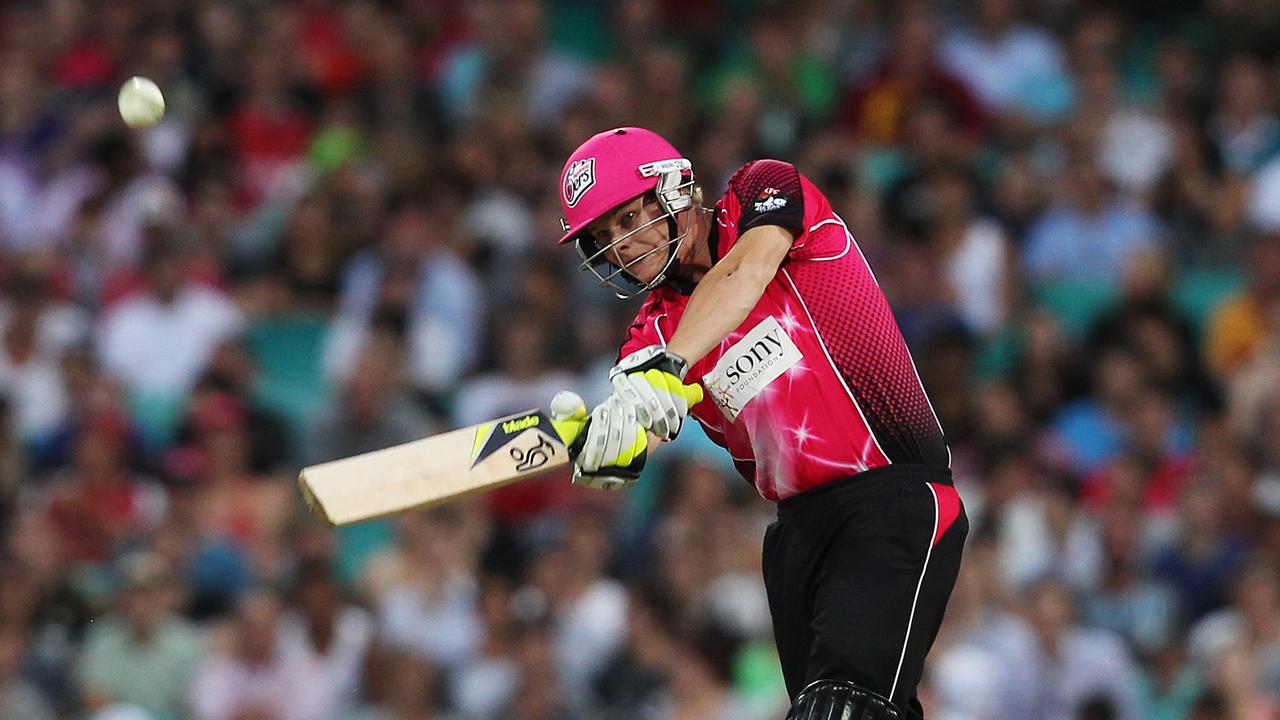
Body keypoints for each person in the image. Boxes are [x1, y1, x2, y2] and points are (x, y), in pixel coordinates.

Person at [548, 127, 968, 719]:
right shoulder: (648, 339)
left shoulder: (761, 192)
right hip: (795, 535)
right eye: (602, 237)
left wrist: (664, 368)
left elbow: (743, 275)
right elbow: (644, 423)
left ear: (674, 190)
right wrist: (607, 444)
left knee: (843, 708)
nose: (619, 247)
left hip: (893, 494)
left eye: (628, 219)